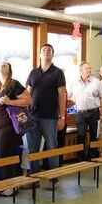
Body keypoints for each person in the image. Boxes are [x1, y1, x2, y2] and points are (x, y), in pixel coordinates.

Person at [0, 62, 31, 196]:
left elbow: (28, 100)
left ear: (9, 69)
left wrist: (9, 102)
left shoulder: (14, 84)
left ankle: (11, 186)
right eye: (1, 64)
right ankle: (9, 183)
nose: (2, 66)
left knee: (6, 152)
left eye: (5, 65)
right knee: (1, 153)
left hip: (8, 124)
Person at [25, 44, 67, 174]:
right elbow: (27, 94)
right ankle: (34, 177)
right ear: (39, 54)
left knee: (52, 148)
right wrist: (25, 114)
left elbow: (62, 95)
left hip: (50, 117)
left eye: (49, 50)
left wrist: (62, 117)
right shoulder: (33, 73)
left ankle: (53, 177)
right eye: (44, 50)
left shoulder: (58, 73)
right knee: (33, 149)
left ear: (53, 55)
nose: (46, 51)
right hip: (32, 117)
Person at [68, 61, 102, 161]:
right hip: (81, 113)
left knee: (94, 136)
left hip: (94, 112)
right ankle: (81, 158)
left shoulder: (96, 82)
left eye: (90, 68)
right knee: (81, 135)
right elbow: (67, 96)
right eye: (86, 68)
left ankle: (93, 157)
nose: (89, 70)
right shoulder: (74, 82)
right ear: (81, 71)